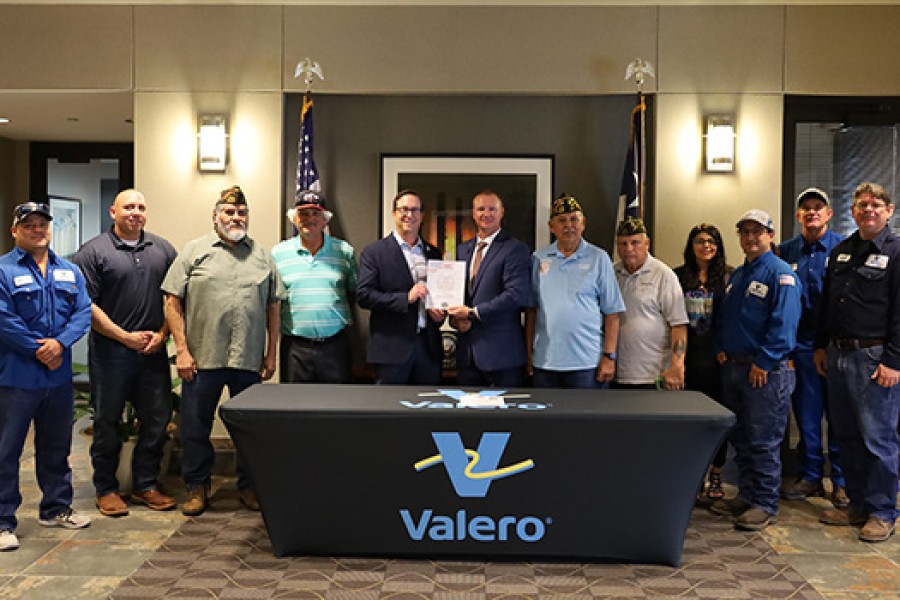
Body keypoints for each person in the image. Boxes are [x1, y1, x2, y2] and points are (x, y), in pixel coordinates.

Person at [162, 186, 285, 516]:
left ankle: (248, 487)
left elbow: (274, 307)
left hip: (247, 358)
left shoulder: (262, 255)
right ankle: (196, 487)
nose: (236, 217)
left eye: (241, 212)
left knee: (249, 428)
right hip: (202, 358)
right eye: (229, 212)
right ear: (215, 215)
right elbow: (172, 302)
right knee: (194, 426)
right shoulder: (193, 252)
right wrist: (183, 352)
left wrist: (271, 353)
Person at [73, 189, 178, 517]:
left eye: (141, 207)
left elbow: (175, 298)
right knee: (107, 420)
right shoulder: (93, 252)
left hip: (152, 353)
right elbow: (85, 305)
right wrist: (124, 337)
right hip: (110, 353)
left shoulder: (163, 249)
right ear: (112, 212)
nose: (135, 212)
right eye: (128, 207)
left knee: (158, 419)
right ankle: (106, 488)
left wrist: (161, 335)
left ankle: (146, 484)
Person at [0, 202, 93, 552]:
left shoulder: (68, 270)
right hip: (17, 376)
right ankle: (3, 521)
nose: (37, 230)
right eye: (29, 225)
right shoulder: (3, 271)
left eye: (42, 224)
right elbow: (3, 318)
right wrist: (38, 349)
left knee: (56, 447)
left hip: (57, 379)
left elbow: (83, 312)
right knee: (6, 450)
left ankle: (55, 508)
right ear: (15, 231)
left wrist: (61, 343)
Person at [815, 182, 900, 543]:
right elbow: (828, 304)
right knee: (845, 434)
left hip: (874, 358)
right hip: (837, 355)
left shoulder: (896, 252)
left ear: (889, 210)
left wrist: (894, 360)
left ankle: (882, 511)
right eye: (862, 204)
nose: (869, 209)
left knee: (877, 438)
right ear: (852, 211)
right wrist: (821, 346)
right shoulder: (842, 251)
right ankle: (858, 505)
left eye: (876, 204)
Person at [711, 209, 801, 531]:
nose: (750, 237)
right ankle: (747, 495)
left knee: (763, 439)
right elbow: (727, 318)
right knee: (742, 437)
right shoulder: (738, 275)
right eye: (745, 232)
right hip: (735, 369)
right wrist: (721, 348)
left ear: (770, 235)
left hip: (765, 371)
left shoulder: (780, 274)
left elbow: (785, 325)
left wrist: (764, 361)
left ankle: (764, 502)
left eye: (757, 231)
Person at [778, 188, 846, 508]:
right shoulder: (785, 252)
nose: (812, 212)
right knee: (806, 416)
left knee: (839, 416)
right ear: (798, 215)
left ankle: (842, 481)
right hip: (801, 347)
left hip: (836, 347)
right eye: (806, 208)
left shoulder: (844, 249)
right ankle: (811, 476)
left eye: (818, 207)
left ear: (829, 214)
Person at [525, 195, 624, 388]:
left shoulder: (599, 258)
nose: (568, 225)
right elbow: (531, 310)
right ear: (551, 226)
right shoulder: (538, 258)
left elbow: (612, 313)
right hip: (545, 363)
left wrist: (609, 357)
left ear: (583, 223)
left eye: (574, 220)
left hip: (587, 363)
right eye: (561, 221)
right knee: (546, 418)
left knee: (586, 419)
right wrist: (529, 354)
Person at [357, 190, 444, 384]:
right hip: (391, 349)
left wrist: (439, 315)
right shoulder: (374, 252)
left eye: (415, 210)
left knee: (429, 407)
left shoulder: (434, 253)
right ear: (394, 213)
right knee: (388, 410)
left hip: (428, 348)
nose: (409, 215)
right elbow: (364, 295)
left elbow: (438, 295)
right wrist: (406, 298)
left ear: (422, 216)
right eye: (403, 209)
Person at [447, 190, 531, 387]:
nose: (487, 214)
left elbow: (515, 295)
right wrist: (456, 319)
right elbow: (458, 294)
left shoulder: (515, 249)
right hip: (467, 355)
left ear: (502, 212)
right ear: (473, 214)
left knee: (503, 418)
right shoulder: (462, 250)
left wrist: (473, 313)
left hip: (502, 355)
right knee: (467, 416)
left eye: (492, 209)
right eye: (481, 209)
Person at [272, 190, 357, 383]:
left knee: (336, 408)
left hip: (335, 345)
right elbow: (274, 301)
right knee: (294, 407)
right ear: (294, 218)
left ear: (325, 219)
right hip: (295, 348)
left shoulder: (344, 251)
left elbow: (352, 292)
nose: (309, 219)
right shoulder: (278, 253)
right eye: (303, 213)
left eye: (315, 213)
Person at [674, 223, 733, 501]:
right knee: (689, 420)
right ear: (691, 245)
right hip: (688, 358)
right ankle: (693, 475)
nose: (706, 246)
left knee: (717, 418)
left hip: (719, 359)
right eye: (699, 241)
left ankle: (717, 473)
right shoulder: (676, 277)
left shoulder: (730, 277)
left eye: (711, 241)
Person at [613, 217, 688, 390]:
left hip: (654, 375)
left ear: (647, 243)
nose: (629, 249)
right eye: (623, 244)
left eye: (635, 243)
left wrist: (677, 366)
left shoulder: (663, 275)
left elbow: (678, 325)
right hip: (617, 374)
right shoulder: (611, 273)